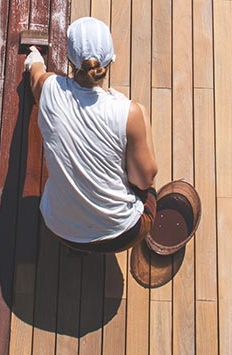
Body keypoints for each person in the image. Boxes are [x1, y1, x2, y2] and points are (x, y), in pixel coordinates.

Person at [24, 17, 158, 253]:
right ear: (110, 61)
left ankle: (80, 247)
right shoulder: (127, 112)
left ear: (70, 61)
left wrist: (34, 57)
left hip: (60, 228)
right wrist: (141, 116)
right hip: (122, 234)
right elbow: (144, 180)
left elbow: (35, 74)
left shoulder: (48, 89)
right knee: (147, 179)